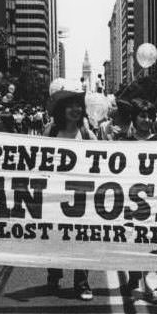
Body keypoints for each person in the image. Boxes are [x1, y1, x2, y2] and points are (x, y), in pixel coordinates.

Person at [44, 82, 95, 301]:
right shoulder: (51, 131)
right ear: (61, 110)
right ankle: (54, 276)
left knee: (82, 240)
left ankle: (82, 283)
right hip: (56, 196)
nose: (75, 109)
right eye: (70, 106)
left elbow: (102, 155)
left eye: (78, 105)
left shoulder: (86, 132)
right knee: (55, 237)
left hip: (81, 196)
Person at [117, 98, 157, 304]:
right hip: (130, 200)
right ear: (134, 118)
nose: (146, 120)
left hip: (154, 199)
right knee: (132, 239)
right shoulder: (123, 141)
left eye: (149, 116)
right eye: (142, 116)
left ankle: (153, 287)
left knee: (154, 242)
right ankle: (135, 276)